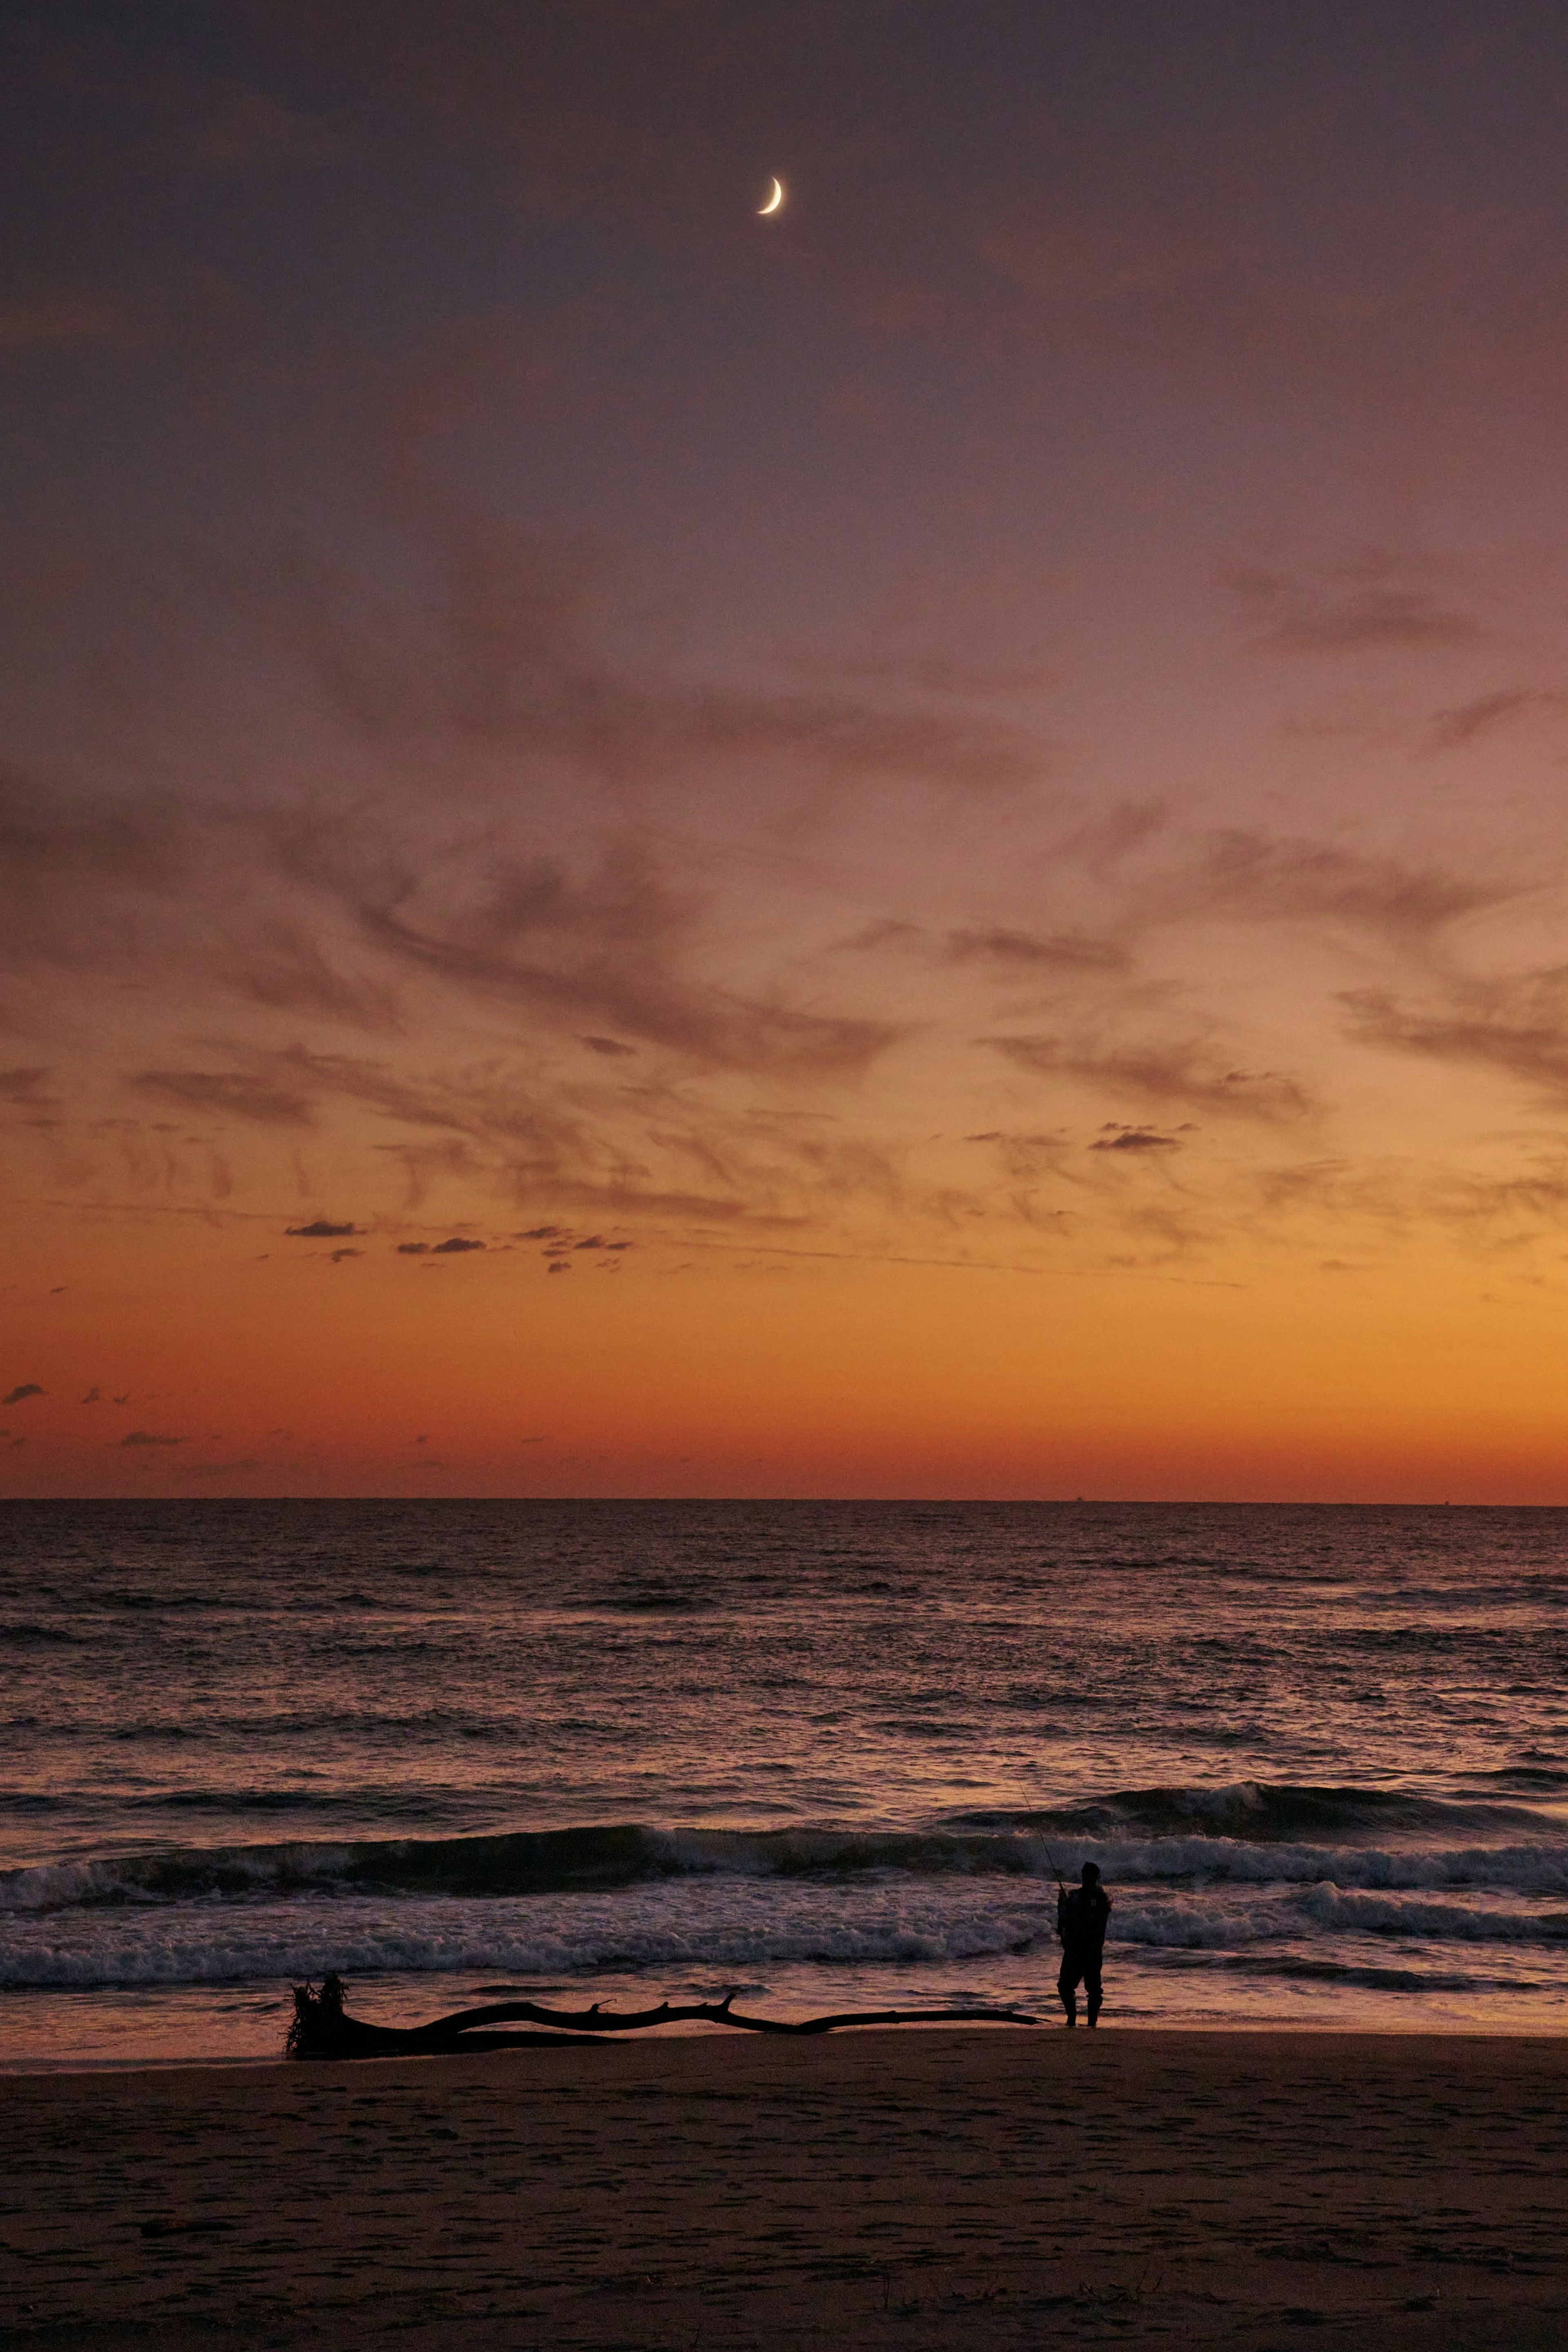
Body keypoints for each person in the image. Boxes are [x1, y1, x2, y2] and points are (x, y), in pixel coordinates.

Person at [1056, 1860, 1110, 2027]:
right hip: (1094, 1949)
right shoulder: (1103, 1899)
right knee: (1094, 1990)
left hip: (1075, 1948)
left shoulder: (1075, 1897)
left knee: (1065, 1986)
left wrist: (1062, 1903)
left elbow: (1064, 1921)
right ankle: (1092, 2022)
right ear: (1098, 1878)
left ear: (1083, 1877)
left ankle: (1072, 2018)